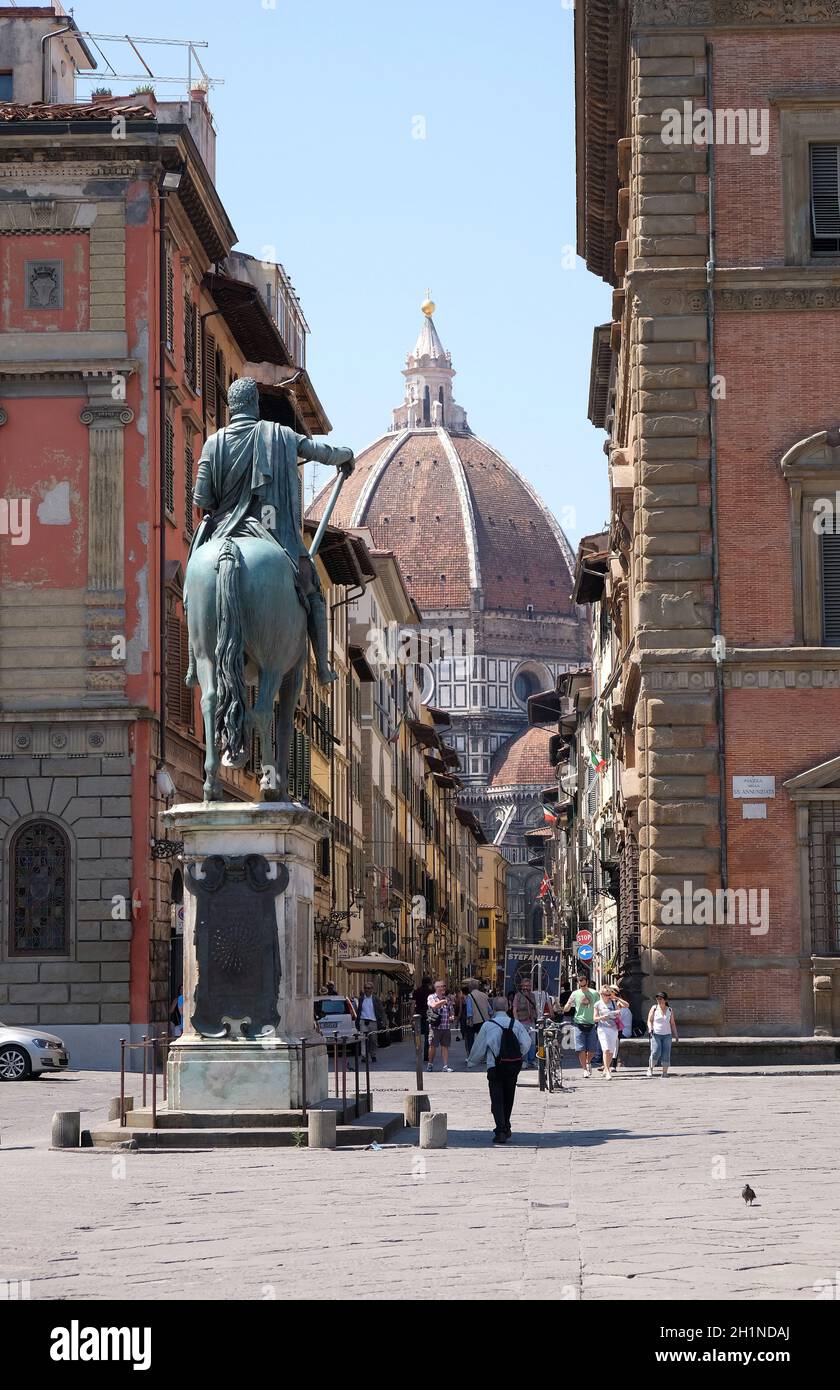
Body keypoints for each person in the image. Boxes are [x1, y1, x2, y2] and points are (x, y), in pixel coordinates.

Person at [467, 996, 531, 1143]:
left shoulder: (488, 1025)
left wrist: (472, 1062)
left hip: (495, 1066)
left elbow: (479, 1047)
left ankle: (500, 1129)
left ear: (494, 1009)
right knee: (509, 1097)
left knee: (497, 1099)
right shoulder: (515, 1024)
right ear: (508, 1007)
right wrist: (517, 1054)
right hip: (512, 1066)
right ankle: (506, 1124)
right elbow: (527, 1043)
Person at [562, 974, 599, 1077]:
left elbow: (599, 1006)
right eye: (580, 984)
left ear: (587, 982)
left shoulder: (594, 993)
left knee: (592, 1050)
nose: (581, 986)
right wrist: (566, 1007)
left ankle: (588, 1062)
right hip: (578, 1023)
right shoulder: (575, 994)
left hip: (591, 1023)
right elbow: (567, 1007)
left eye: (583, 984)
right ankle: (584, 1069)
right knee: (581, 1049)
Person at [593, 985, 628, 1079]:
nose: (607, 996)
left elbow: (626, 1005)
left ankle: (606, 1068)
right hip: (602, 1028)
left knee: (611, 1051)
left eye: (609, 994)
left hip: (613, 1028)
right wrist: (601, 1017)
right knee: (606, 1049)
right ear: (601, 994)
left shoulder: (613, 1003)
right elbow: (594, 1018)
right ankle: (607, 1070)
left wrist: (616, 998)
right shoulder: (597, 1004)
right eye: (605, 994)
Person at [647, 992, 679, 1077]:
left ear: (665, 1000)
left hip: (667, 1035)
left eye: (660, 998)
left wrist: (676, 1034)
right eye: (657, 998)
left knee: (666, 1053)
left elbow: (672, 1023)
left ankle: (664, 1072)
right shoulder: (654, 1008)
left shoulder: (670, 1010)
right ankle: (650, 1069)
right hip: (656, 1034)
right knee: (656, 1052)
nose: (658, 1000)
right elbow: (649, 1020)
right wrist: (650, 1028)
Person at [427, 980, 455, 1073]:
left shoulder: (447, 999)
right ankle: (430, 1064)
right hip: (435, 1027)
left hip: (446, 1026)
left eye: (443, 986)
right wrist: (443, 1001)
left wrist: (451, 1016)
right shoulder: (431, 997)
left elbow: (451, 1011)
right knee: (432, 1046)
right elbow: (434, 1006)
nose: (442, 988)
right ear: (436, 988)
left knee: (445, 1046)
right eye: (440, 986)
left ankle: (445, 1066)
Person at [461, 979, 492, 1061]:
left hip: (473, 1021)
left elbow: (469, 1011)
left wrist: (469, 1020)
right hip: (484, 1020)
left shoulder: (470, 996)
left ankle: (471, 1056)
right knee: (484, 1039)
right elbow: (490, 1009)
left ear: (470, 987)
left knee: (470, 1039)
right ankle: (485, 1056)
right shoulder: (485, 995)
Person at [512, 976, 538, 1068]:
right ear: (521, 986)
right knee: (523, 1043)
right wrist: (516, 1022)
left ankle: (531, 1060)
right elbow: (514, 1009)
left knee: (533, 1043)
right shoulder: (518, 996)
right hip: (522, 1022)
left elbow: (535, 1007)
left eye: (528, 985)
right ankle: (524, 1060)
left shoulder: (533, 995)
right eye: (525, 986)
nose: (526, 987)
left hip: (531, 1022)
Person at [356, 981, 385, 1063]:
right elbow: (358, 1010)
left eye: (368, 988)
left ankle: (373, 1054)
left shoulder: (376, 999)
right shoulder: (361, 999)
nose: (367, 990)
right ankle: (364, 1056)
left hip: (373, 1022)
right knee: (363, 1039)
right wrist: (357, 1021)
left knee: (373, 1040)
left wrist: (384, 1021)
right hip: (363, 1021)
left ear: (372, 989)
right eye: (365, 988)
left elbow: (381, 1010)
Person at [413, 975, 433, 1061]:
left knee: (417, 1034)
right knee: (427, 1036)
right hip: (428, 1015)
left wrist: (411, 1016)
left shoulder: (416, 991)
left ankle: (418, 1050)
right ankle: (426, 1055)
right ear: (429, 983)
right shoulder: (431, 992)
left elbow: (412, 1004)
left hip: (418, 1016)